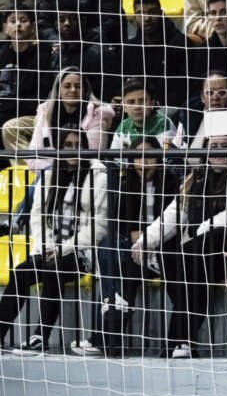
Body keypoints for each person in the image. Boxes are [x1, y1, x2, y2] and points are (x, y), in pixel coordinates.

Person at [132, 135, 227, 358]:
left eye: (225, 146)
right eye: (214, 147)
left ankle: (178, 341)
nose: (218, 151)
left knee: (197, 252)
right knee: (168, 255)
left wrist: (203, 228)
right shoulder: (197, 177)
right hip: (199, 253)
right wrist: (145, 240)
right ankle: (182, 343)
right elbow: (173, 214)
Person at [0, 126, 107, 353]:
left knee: (54, 268)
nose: (72, 150)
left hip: (82, 253)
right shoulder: (49, 174)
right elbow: (37, 215)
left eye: (78, 145)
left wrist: (62, 249)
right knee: (20, 271)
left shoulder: (98, 174)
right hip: (49, 250)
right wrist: (44, 247)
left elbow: (100, 225)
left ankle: (40, 336)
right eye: (67, 146)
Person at [71, 136, 180, 356]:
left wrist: (145, 236)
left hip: (163, 250)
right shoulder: (123, 185)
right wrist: (136, 238)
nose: (144, 162)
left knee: (122, 265)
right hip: (133, 252)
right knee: (110, 249)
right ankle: (111, 309)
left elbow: (173, 224)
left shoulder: (171, 183)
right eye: (138, 157)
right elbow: (117, 226)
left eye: (149, 156)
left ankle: (105, 332)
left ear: (159, 159)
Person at [27, 67, 114, 171]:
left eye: (78, 86)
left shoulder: (98, 114)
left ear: (85, 90)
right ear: (58, 90)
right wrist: (53, 172)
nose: (72, 90)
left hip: (85, 175)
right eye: (67, 86)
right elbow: (32, 157)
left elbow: (92, 157)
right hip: (49, 173)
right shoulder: (46, 112)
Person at [0, 5, 55, 158]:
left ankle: (27, 175)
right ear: (5, 28)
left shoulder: (43, 55)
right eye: (13, 21)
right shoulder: (2, 54)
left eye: (23, 20)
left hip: (28, 114)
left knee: (8, 126)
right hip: (4, 110)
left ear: (33, 27)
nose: (18, 24)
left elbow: (40, 97)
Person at [110, 78, 177, 150]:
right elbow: (114, 159)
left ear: (152, 103)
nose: (137, 107)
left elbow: (166, 158)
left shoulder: (163, 124)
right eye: (131, 102)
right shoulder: (123, 127)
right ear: (125, 107)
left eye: (142, 101)